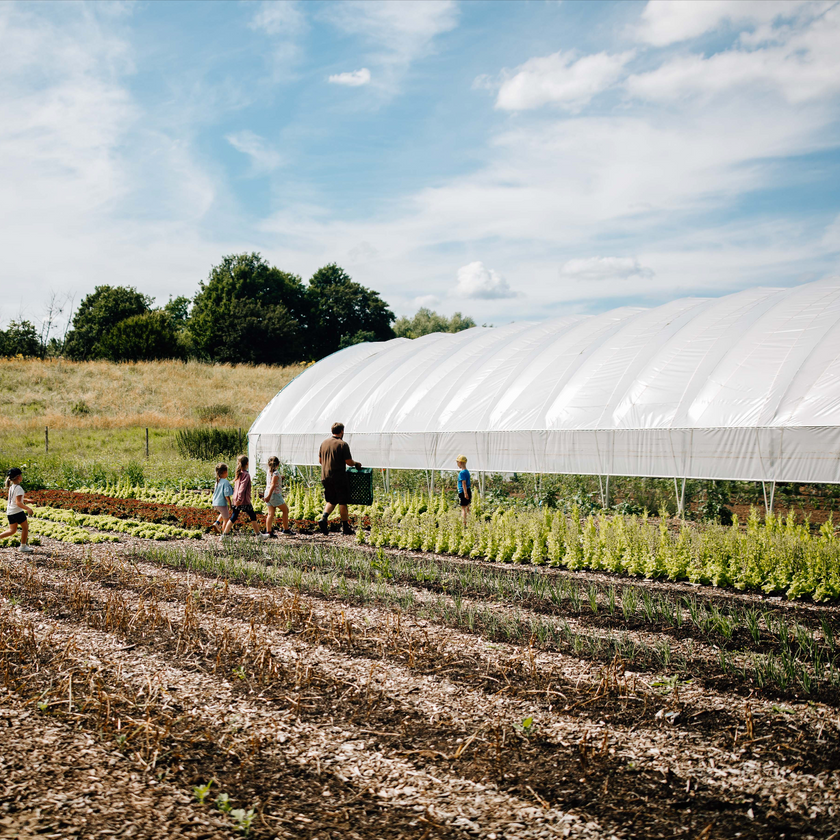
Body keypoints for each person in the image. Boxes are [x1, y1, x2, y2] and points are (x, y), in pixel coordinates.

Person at [318, 422, 361, 536]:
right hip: (338, 477)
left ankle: (323, 518)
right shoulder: (343, 444)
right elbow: (349, 462)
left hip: (325, 477)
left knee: (332, 500)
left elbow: (320, 461)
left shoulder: (324, 443)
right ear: (342, 431)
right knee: (342, 501)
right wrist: (356, 463)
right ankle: (345, 527)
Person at [226, 455, 260, 537]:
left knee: (234, 516)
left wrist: (236, 499)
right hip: (243, 500)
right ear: (247, 463)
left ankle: (224, 534)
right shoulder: (246, 475)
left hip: (236, 499)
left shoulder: (238, 473)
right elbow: (242, 487)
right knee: (252, 515)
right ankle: (258, 535)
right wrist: (240, 499)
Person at [1, 467, 34, 553]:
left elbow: (13, 499)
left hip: (10, 512)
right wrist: (28, 508)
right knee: (25, 528)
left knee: (12, 530)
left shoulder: (12, 487)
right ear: (19, 477)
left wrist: (26, 500)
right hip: (17, 512)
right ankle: (23, 546)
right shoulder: (19, 488)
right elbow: (18, 502)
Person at [261, 455, 292, 538]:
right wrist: (269, 496)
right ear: (278, 464)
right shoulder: (276, 473)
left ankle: (269, 532)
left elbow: (273, 481)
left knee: (270, 513)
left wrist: (280, 478)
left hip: (267, 493)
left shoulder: (269, 472)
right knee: (285, 510)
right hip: (274, 495)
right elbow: (273, 484)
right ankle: (286, 529)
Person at [211, 463, 233, 535]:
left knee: (222, 514)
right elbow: (226, 495)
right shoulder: (225, 482)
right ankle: (224, 535)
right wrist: (230, 504)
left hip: (216, 503)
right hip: (222, 503)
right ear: (224, 472)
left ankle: (216, 523)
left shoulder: (217, 481)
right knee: (226, 519)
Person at [456, 455, 471, 525]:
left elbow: (463, 483)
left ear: (460, 463)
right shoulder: (467, 471)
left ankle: (464, 523)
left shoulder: (462, 473)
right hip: (468, 490)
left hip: (463, 491)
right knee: (468, 507)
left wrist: (465, 493)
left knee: (463, 508)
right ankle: (470, 521)